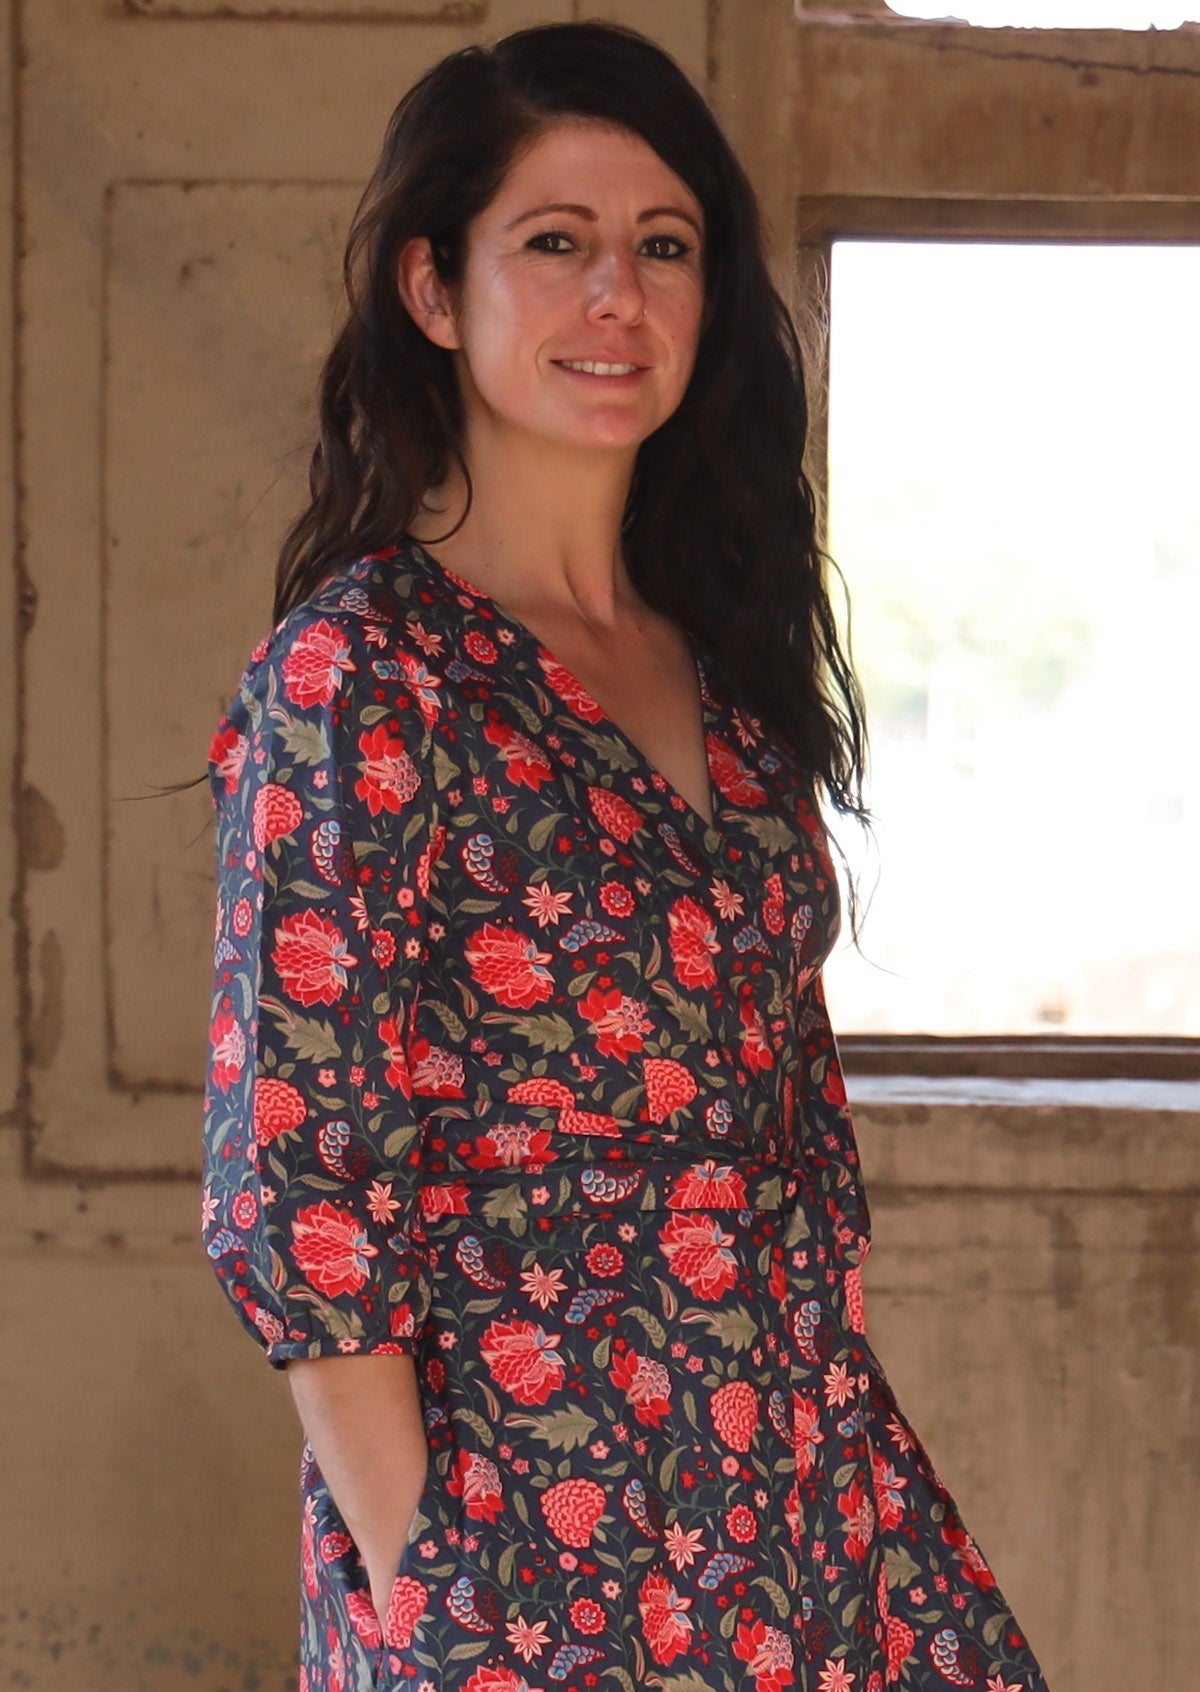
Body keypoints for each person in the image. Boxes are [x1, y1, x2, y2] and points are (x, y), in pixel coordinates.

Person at [201, 21, 1049, 1692]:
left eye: (665, 248)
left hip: (809, 1489)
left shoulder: (722, 667)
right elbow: (300, 1186)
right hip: (526, 1539)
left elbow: (787, 1098)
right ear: (434, 292)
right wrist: (424, 1574)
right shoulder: (361, 678)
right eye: (556, 245)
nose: (619, 298)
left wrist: (841, 1458)